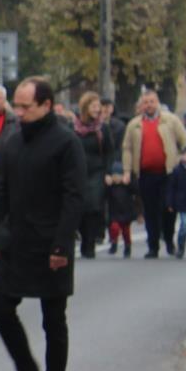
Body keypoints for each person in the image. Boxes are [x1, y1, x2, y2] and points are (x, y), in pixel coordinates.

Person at [0, 78, 85, 371]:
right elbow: (3, 193)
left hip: (50, 244)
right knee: (0, 308)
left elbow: (74, 197)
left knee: (53, 319)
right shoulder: (13, 143)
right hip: (14, 242)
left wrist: (62, 245)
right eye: (17, 105)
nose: (19, 112)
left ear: (46, 106)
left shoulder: (66, 143)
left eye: (26, 106)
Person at [122, 90, 186, 259]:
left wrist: (182, 160)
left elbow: (185, 142)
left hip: (168, 173)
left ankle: (168, 239)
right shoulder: (134, 125)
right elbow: (127, 149)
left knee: (168, 208)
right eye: (146, 102)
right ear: (141, 105)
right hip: (145, 174)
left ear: (157, 102)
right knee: (150, 211)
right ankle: (153, 246)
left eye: (152, 101)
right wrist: (127, 170)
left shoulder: (170, 120)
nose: (149, 105)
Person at [72, 94, 117, 261]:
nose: (97, 110)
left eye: (98, 106)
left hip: (96, 171)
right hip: (77, 172)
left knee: (93, 207)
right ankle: (83, 237)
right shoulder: (74, 127)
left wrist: (108, 172)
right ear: (85, 107)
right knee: (80, 208)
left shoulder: (101, 128)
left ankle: (90, 243)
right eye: (93, 106)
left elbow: (109, 151)